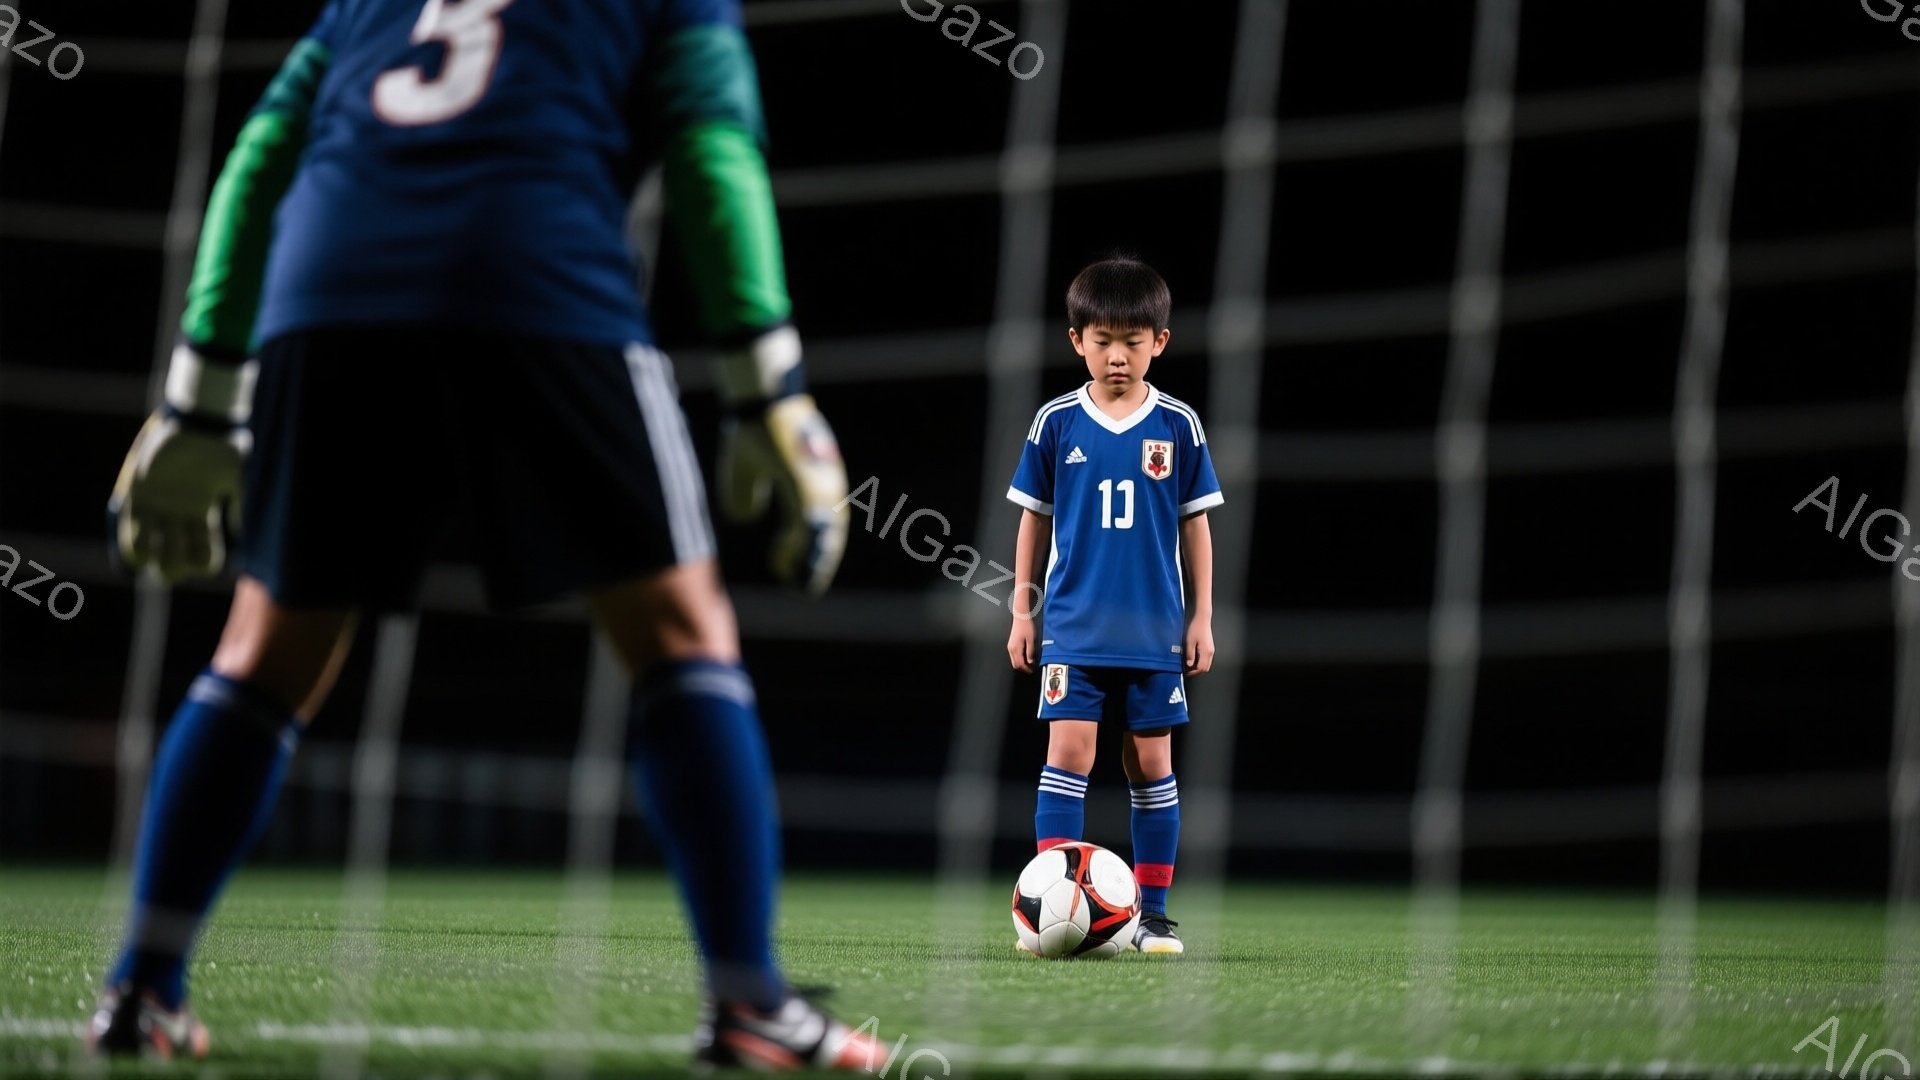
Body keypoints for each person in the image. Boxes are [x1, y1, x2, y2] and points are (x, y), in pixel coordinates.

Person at [90, 0, 877, 1068]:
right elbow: (712, 152)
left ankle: (142, 993)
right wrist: (766, 385)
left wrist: (199, 398)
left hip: (329, 287)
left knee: (265, 648)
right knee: (684, 631)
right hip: (537, 272)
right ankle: (750, 1002)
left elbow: (263, 154)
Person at [1004, 256, 1223, 955]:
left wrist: (1202, 616)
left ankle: (1152, 915)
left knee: (1149, 763)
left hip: (1155, 629)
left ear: (1160, 341)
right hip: (1072, 626)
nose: (1117, 355)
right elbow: (1033, 517)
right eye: (1103, 340)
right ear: (1077, 341)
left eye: (1133, 340)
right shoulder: (1055, 421)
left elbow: (1196, 523)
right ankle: (1052, 909)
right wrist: (1020, 610)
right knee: (1067, 751)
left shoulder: (1180, 425)